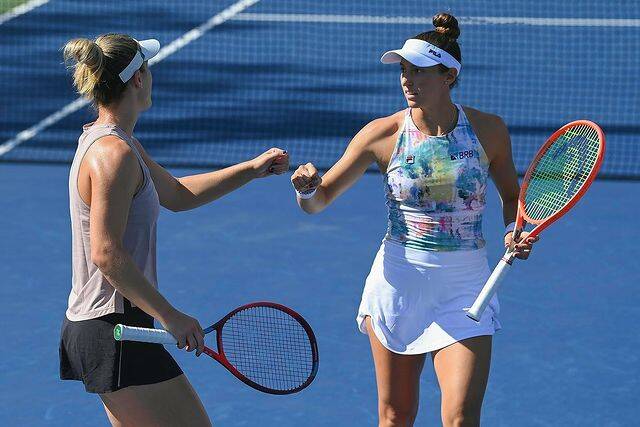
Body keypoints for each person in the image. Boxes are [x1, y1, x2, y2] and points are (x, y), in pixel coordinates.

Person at [291, 13, 537, 427]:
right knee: (395, 415)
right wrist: (307, 189)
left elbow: (512, 197)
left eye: (419, 71)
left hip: (465, 289)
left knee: (460, 417)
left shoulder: (489, 131)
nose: (407, 80)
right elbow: (320, 200)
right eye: (404, 70)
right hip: (398, 284)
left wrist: (516, 230)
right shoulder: (381, 134)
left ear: (448, 76)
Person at [59, 33, 289, 426]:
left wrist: (250, 170)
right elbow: (106, 253)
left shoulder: (120, 144)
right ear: (137, 80)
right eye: (148, 68)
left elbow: (178, 194)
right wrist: (171, 316)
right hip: (116, 329)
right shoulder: (112, 155)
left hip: (115, 326)